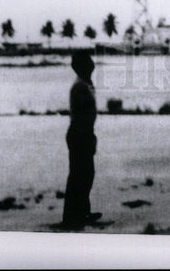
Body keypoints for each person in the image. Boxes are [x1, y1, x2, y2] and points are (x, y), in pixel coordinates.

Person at [61, 49, 101, 230]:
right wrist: (88, 136)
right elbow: (82, 116)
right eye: (88, 62)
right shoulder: (80, 86)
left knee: (85, 174)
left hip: (82, 133)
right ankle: (72, 217)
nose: (92, 65)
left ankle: (82, 212)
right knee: (80, 175)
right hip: (79, 134)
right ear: (82, 67)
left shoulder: (84, 83)